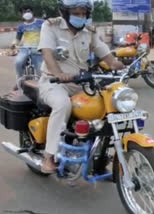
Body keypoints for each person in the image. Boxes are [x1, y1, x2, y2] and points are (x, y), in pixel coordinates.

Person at [38, 0, 124, 173]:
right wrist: (58, 73)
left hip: (82, 84)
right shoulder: (50, 26)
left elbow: (104, 52)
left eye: (84, 13)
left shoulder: (89, 31)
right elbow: (47, 53)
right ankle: (49, 156)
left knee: (107, 105)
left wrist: (117, 65)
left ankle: (98, 155)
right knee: (63, 105)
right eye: (76, 13)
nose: (81, 17)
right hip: (54, 83)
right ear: (66, 13)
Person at [11, 5, 44, 83]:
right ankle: (19, 79)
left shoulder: (41, 23)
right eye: (24, 12)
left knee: (40, 69)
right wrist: (13, 44)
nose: (26, 13)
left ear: (32, 12)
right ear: (22, 14)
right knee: (18, 62)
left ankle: (42, 85)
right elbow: (18, 39)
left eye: (28, 11)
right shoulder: (21, 27)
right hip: (25, 49)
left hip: (38, 49)